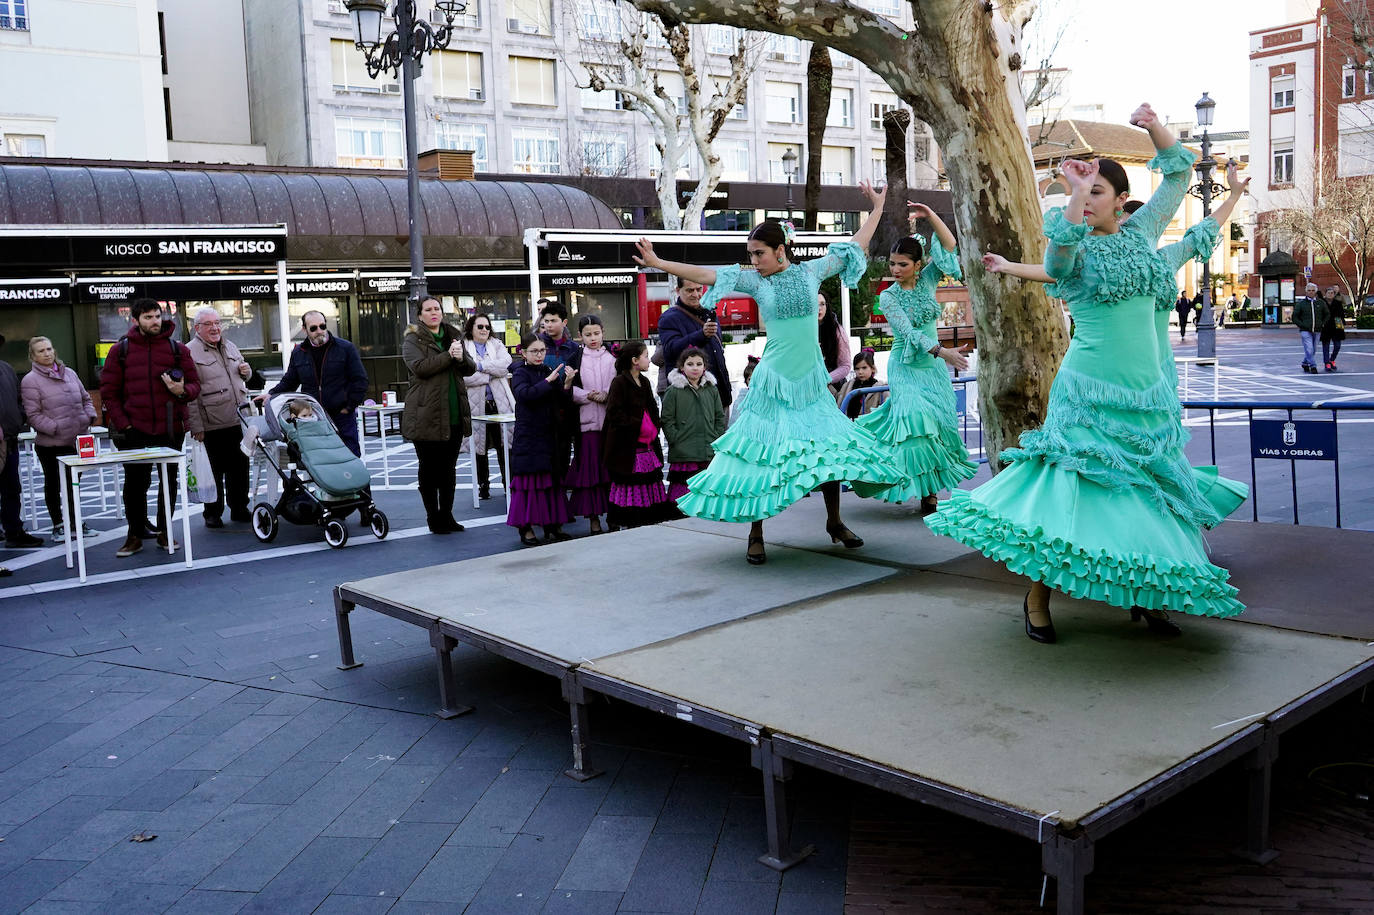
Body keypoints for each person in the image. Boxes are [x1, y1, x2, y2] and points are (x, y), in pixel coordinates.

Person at [932, 103, 1246, 644]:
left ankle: (1146, 595)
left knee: (1146, 494)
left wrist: (1151, 126)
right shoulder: (1072, 245)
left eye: (1099, 190)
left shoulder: (1144, 232)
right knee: (1069, 492)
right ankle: (1037, 596)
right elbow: (1054, 264)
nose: (1091, 197)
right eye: (1086, 191)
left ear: (1122, 201)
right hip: (1088, 389)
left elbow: (1178, 169)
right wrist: (1073, 194)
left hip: (1147, 392)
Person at [633, 182, 905, 564]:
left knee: (824, 454)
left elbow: (856, 243)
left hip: (811, 382)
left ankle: (834, 521)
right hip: (774, 382)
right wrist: (659, 263)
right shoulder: (754, 280)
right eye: (750, 254)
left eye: (759, 253)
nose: (754, 260)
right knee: (761, 457)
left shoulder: (812, 272)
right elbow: (706, 274)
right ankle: (756, 532)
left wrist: (877, 208)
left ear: (781, 250)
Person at [855, 217, 978, 514]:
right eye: (892, 264)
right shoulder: (888, 296)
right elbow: (908, 334)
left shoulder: (929, 278)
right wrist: (943, 352)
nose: (895, 270)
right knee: (914, 419)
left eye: (902, 265)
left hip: (932, 369)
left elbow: (950, 244)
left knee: (933, 428)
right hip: (905, 366)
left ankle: (930, 493)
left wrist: (930, 215)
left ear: (918, 264)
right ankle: (897, 481)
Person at [100, 298, 201, 558]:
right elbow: (109, 394)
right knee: (135, 484)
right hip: (134, 429)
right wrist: (125, 424)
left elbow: (195, 386)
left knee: (168, 482)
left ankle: (166, 532)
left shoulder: (177, 349)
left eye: (157, 316)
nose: (154, 321)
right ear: (135, 321)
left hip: (170, 427)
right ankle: (134, 534)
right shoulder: (119, 351)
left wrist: (182, 390)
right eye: (148, 317)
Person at [401, 297, 477, 535]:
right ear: (420, 315)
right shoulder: (412, 340)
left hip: (454, 413)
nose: (434, 313)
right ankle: (433, 517)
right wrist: (448, 356)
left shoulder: (453, 335)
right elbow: (421, 368)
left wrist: (460, 357)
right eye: (428, 310)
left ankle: (447, 515)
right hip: (425, 415)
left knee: (449, 470)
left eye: (437, 309)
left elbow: (470, 368)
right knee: (429, 469)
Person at [20, 336, 97, 541]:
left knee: (74, 485)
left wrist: (88, 417)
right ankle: (58, 525)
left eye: (49, 349)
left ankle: (76, 521)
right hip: (51, 444)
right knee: (53, 484)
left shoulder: (70, 373)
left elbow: (86, 398)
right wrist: (56, 428)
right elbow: (33, 415)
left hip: (77, 440)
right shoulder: (30, 380)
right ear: (33, 356)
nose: (47, 353)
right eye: (41, 351)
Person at [186, 307, 252, 529]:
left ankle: (240, 508)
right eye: (209, 324)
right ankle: (212, 513)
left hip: (238, 418)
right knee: (213, 471)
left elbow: (244, 375)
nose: (215, 328)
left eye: (217, 323)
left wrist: (247, 371)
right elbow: (189, 394)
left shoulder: (230, 345)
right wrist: (195, 425)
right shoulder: (190, 352)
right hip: (211, 422)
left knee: (239, 468)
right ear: (197, 328)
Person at [268, 311, 369, 454]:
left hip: (342, 417)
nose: (319, 331)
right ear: (304, 329)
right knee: (319, 460)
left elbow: (360, 380)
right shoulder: (298, 352)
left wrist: (349, 407)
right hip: (313, 418)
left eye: (322, 326)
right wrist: (271, 395)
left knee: (349, 457)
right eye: (313, 328)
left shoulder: (345, 348)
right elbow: (290, 381)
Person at [508, 333, 576, 545]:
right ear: (523, 353)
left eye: (542, 351)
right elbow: (525, 395)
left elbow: (561, 401)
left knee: (551, 481)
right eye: (534, 351)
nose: (539, 355)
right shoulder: (519, 372)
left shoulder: (548, 370)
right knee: (530, 482)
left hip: (549, 434)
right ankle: (526, 527)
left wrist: (567, 383)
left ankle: (553, 524)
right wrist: (548, 381)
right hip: (529, 434)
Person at [603, 341, 678, 528]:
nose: (648, 360)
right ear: (635, 360)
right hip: (628, 445)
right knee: (630, 483)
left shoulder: (644, 381)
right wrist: (637, 425)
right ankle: (631, 519)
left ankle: (647, 517)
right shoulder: (619, 382)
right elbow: (614, 412)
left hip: (647, 444)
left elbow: (652, 408)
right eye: (645, 356)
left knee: (648, 481)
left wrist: (654, 425)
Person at [654, 276, 734, 416]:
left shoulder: (710, 312)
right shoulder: (669, 318)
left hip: (720, 394)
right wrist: (701, 335)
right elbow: (670, 350)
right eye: (690, 290)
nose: (696, 294)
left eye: (699, 289)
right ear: (678, 291)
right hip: (691, 399)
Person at [567, 315, 614, 534]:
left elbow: (620, 385)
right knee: (590, 476)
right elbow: (568, 389)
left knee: (612, 474)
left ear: (603, 332)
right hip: (586, 426)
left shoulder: (613, 357)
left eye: (596, 333)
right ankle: (594, 520)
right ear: (580, 336)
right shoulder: (575, 358)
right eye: (588, 334)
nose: (593, 338)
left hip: (610, 425)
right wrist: (589, 396)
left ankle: (614, 516)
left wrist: (607, 396)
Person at [662, 346, 726, 501]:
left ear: (704, 367)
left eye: (699, 364)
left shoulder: (711, 389)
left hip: (707, 449)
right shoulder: (674, 391)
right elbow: (666, 419)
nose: (695, 368)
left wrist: (716, 437)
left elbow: (719, 416)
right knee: (685, 491)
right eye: (690, 364)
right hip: (684, 451)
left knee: (707, 491)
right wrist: (675, 438)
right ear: (682, 367)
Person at [462, 314, 514, 499]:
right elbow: (464, 377)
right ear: (471, 328)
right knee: (479, 447)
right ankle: (483, 485)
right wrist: (490, 374)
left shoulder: (496, 344)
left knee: (504, 445)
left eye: (487, 327)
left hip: (499, 404)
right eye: (480, 326)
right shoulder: (463, 347)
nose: (485, 330)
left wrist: (480, 366)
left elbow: (506, 365)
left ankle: (509, 485)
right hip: (476, 404)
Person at [0, 338, 44, 549]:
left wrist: (20, 417)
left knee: (12, 489)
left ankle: (13, 531)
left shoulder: (6, 369)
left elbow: (18, 400)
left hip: (9, 440)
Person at [536, 299, 582, 481]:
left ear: (564, 322)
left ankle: (561, 491)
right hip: (542, 407)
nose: (548, 325)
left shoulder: (574, 349)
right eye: (546, 321)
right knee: (544, 453)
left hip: (567, 407)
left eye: (553, 321)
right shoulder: (537, 345)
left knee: (564, 452)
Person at [834, 349, 887, 419]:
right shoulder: (847, 386)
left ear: (873, 368)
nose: (860, 372)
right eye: (857, 368)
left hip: (868, 425)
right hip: (849, 423)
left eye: (864, 368)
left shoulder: (880, 387)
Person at [819, 292, 853, 397]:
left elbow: (845, 365)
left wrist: (825, 379)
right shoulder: (801, 330)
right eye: (814, 305)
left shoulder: (837, 331)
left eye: (822, 304)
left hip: (831, 387)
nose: (819, 308)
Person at [1291, 284, 1329, 374]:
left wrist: (1322, 323)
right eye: (1309, 290)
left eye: (1312, 290)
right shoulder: (1301, 304)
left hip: (1317, 329)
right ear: (1306, 291)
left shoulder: (1320, 303)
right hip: (1305, 330)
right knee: (1309, 348)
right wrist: (1302, 325)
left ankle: (1305, 362)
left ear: (1315, 291)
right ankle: (1313, 366)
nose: (1311, 292)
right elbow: (1295, 317)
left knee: (1314, 349)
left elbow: (1327, 314)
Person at [1321, 286, 1346, 372]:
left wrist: (1342, 325)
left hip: (1337, 325)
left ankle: (1332, 359)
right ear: (1326, 294)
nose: (1330, 294)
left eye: (1332, 293)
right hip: (1326, 326)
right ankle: (1327, 363)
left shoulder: (1338, 303)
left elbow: (1342, 315)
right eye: (1329, 293)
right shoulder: (1322, 303)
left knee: (1337, 346)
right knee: (1326, 346)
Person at [730, 355, 759, 426]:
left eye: (756, 378)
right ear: (746, 381)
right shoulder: (741, 400)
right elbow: (734, 422)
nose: (753, 382)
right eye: (750, 379)